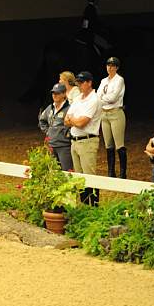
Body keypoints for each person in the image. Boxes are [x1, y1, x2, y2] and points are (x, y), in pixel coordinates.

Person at [64, 71, 102, 205]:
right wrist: (75, 120)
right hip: (75, 140)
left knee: (89, 176)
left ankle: (94, 206)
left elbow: (82, 123)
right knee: (79, 177)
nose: (79, 85)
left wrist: (73, 120)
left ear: (89, 83)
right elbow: (66, 120)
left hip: (87, 140)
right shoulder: (78, 98)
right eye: (78, 83)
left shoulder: (94, 99)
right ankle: (85, 205)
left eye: (81, 83)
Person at [96, 56, 127, 178]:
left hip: (115, 113)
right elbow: (98, 95)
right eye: (108, 65)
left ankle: (123, 173)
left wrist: (102, 99)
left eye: (113, 65)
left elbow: (113, 98)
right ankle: (111, 172)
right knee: (108, 145)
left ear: (117, 67)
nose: (110, 67)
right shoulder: (104, 80)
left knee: (119, 144)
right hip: (104, 114)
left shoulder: (119, 80)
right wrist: (104, 99)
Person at [39, 83, 72, 171]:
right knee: (53, 172)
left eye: (57, 93)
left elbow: (73, 125)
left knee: (67, 172)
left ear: (64, 94)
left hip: (64, 146)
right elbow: (42, 120)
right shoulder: (50, 108)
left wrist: (67, 134)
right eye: (53, 93)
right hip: (51, 146)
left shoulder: (69, 108)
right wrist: (48, 131)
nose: (54, 95)